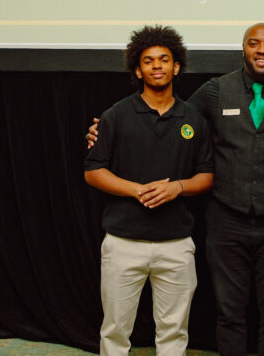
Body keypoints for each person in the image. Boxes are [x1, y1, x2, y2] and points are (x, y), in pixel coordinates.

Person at [89, 22, 264, 355]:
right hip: (226, 220)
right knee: (228, 313)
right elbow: (169, 117)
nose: (262, 50)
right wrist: (100, 132)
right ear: (243, 49)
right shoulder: (214, 92)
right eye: (254, 43)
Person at [84, 25, 214, 356]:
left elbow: (207, 175)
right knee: (115, 330)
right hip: (123, 242)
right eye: (149, 60)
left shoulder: (194, 119)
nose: (157, 66)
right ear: (138, 69)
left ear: (177, 67)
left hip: (176, 244)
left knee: (173, 333)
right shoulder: (116, 115)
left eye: (164, 59)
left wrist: (178, 188)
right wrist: (136, 190)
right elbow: (93, 171)